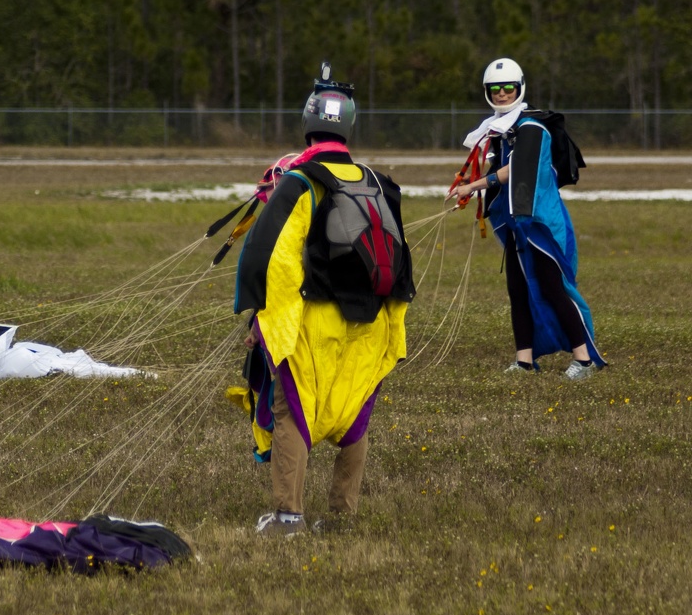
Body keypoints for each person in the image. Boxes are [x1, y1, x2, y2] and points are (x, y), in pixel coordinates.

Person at [234, 63, 415, 536]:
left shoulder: (300, 181)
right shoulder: (375, 182)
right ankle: (341, 517)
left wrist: (261, 316)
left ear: (309, 125)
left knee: (294, 409)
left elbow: (274, 257)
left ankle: (288, 516)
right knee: (353, 413)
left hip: (316, 318)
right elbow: (398, 258)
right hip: (370, 320)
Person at [449, 57, 606, 380]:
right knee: (518, 289)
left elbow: (515, 169)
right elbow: (498, 169)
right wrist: (471, 190)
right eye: (496, 89)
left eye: (509, 88)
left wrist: (475, 185)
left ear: (520, 89)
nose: (503, 93)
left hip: (540, 222)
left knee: (552, 287)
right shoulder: (500, 130)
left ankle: (584, 359)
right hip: (516, 221)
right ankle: (524, 361)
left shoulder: (532, 127)